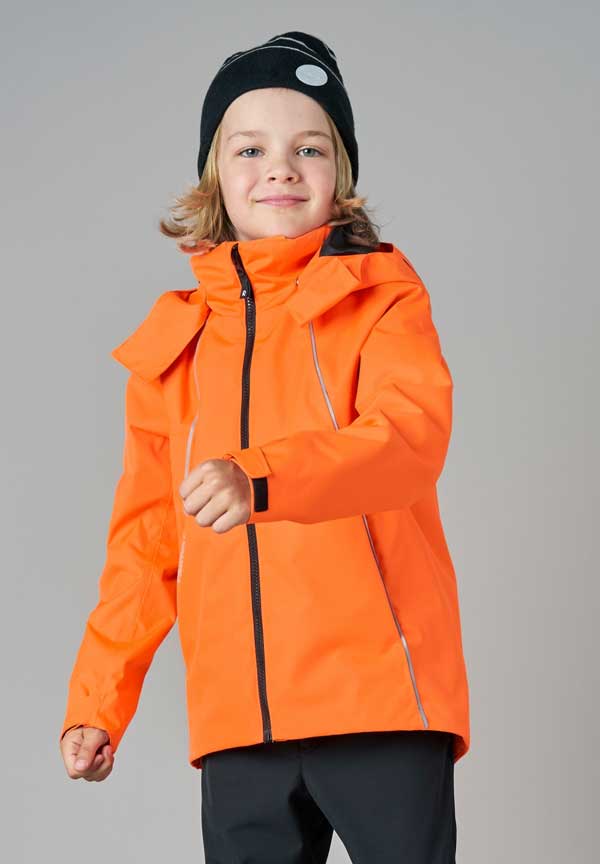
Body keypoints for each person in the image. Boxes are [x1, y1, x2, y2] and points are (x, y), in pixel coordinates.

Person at [59, 30, 470, 863]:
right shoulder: (176, 345)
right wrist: (98, 701)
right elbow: (145, 543)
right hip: (238, 720)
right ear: (213, 174)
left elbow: (405, 442)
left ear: (340, 174)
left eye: (309, 147)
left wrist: (262, 477)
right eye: (250, 148)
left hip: (378, 700)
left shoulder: (384, 301)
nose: (280, 168)